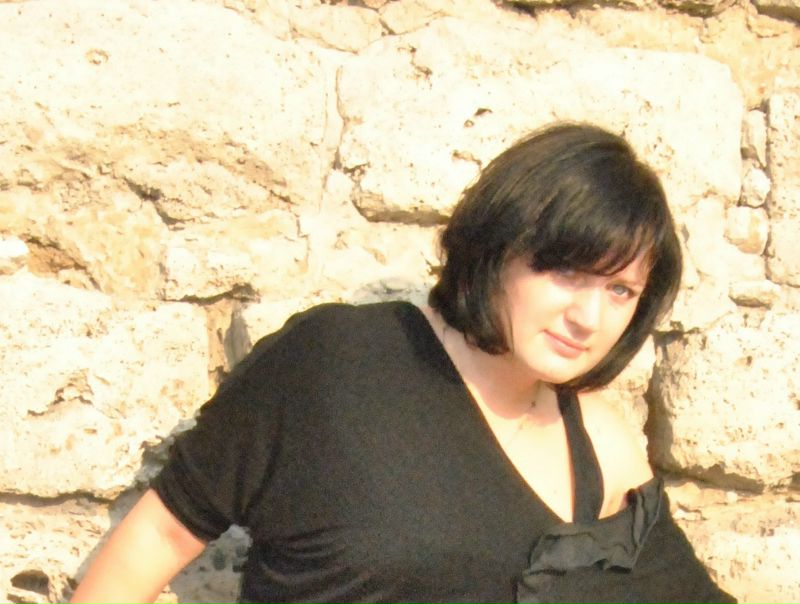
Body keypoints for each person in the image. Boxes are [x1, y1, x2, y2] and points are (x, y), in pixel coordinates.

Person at [70, 123, 735, 604]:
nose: (589, 317)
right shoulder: (333, 364)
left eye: (620, 291)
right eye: (567, 272)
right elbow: (159, 535)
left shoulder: (603, 443)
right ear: (501, 246)